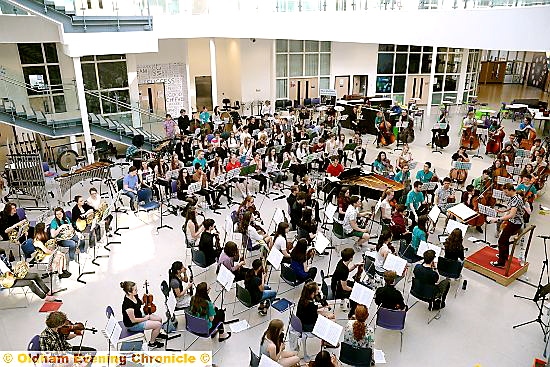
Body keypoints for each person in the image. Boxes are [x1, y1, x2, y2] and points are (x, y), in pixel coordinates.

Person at [487, 183, 525, 268]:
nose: (505, 194)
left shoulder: (516, 199)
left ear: (510, 190)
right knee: (505, 240)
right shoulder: (516, 196)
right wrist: (500, 211)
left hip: (515, 223)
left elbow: (511, 215)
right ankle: (504, 256)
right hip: (514, 222)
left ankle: (501, 263)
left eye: (506, 192)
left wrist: (497, 219)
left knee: (501, 241)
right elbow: (511, 208)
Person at [120, 281, 165, 349]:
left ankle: (156, 334)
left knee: (159, 319)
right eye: (135, 290)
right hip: (133, 325)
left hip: (139, 315)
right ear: (129, 292)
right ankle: (152, 343)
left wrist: (146, 298)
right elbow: (133, 320)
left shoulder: (133, 295)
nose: (137, 291)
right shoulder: (127, 305)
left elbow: (140, 302)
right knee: (158, 324)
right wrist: (145, 319)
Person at [297, 282, 335, 347]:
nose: (318, 290)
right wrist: (327, 317)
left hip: (303, 322)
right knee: (332, 320)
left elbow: (313, 309)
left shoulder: (303, 299)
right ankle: (326, 342)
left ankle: (325, 340)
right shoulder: (310, 305)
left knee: (330, 315)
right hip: (308, 326)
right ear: (313, 293)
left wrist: (323, 306)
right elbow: (316, 319)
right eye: (317, 289)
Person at [331, 248, 361, 319]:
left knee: (354, 284)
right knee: (355, 295)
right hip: (337, 290)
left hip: (336, 283)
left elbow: (346, 271)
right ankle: (351, 314)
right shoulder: (343, 271)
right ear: (351, 258)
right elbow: (345, 287)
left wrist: (354, 266)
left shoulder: (341, 261)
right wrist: (353, 289)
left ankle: (350, 305)